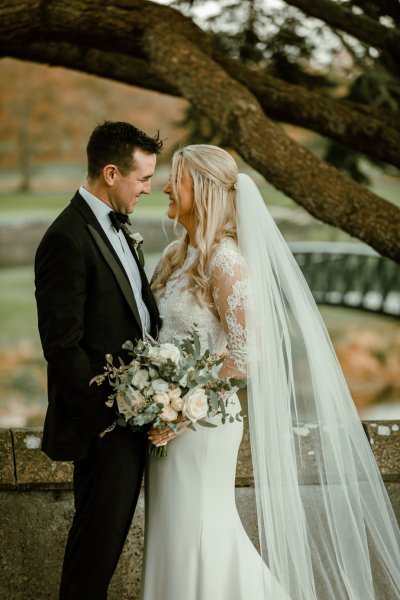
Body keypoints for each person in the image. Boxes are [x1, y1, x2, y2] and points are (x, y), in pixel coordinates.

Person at [141, 144, 400, 600]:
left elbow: (244, 356)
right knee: (173, 532)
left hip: (202, 424)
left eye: (174, 178)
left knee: (202, 530)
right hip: (167, 423)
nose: (164, 186)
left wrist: (182, 403)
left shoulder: (226, 263)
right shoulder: (173, 258)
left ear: (199, 189)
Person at [35, 121, 162, 600]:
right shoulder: (66, 238)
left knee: (102, 553)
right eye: (143, 178)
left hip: (137, 420)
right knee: (93, 557)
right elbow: (62, 345)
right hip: (105, 429)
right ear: (111, 173)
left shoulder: (119, 228)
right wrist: (104, 421)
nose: (149, 188)